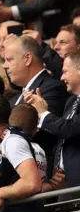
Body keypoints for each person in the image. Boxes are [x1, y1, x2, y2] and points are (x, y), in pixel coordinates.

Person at [3, 36, 69, 174]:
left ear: (27, 58)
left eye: (9, 59)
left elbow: (45, 133)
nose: (4, 66)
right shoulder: (13, 98)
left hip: (38, 174)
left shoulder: (52, 88)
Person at [26, 50, 80, 194]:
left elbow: (72, 129)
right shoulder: (71, 101)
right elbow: (63, 138)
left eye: (65, 71)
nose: (61, 77)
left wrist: (43, 112)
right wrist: (58, 171)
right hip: (65, 186)